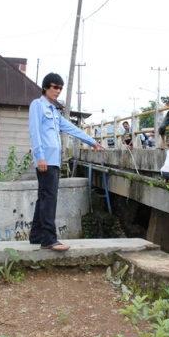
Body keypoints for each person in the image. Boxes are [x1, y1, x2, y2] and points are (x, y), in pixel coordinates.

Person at [28, 73, 104, 252]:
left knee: (44, 198)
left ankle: (36, 235)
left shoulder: (54, 111)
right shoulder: (37, 105)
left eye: (60, 88)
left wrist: (91, 141)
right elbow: (35, 132)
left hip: (54, 160)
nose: (58, 91)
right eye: (55, 87)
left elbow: (70, 127)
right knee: (49, 198)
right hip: (45, 159)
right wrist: (40, 157)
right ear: (46, 87)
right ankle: (49, 239)